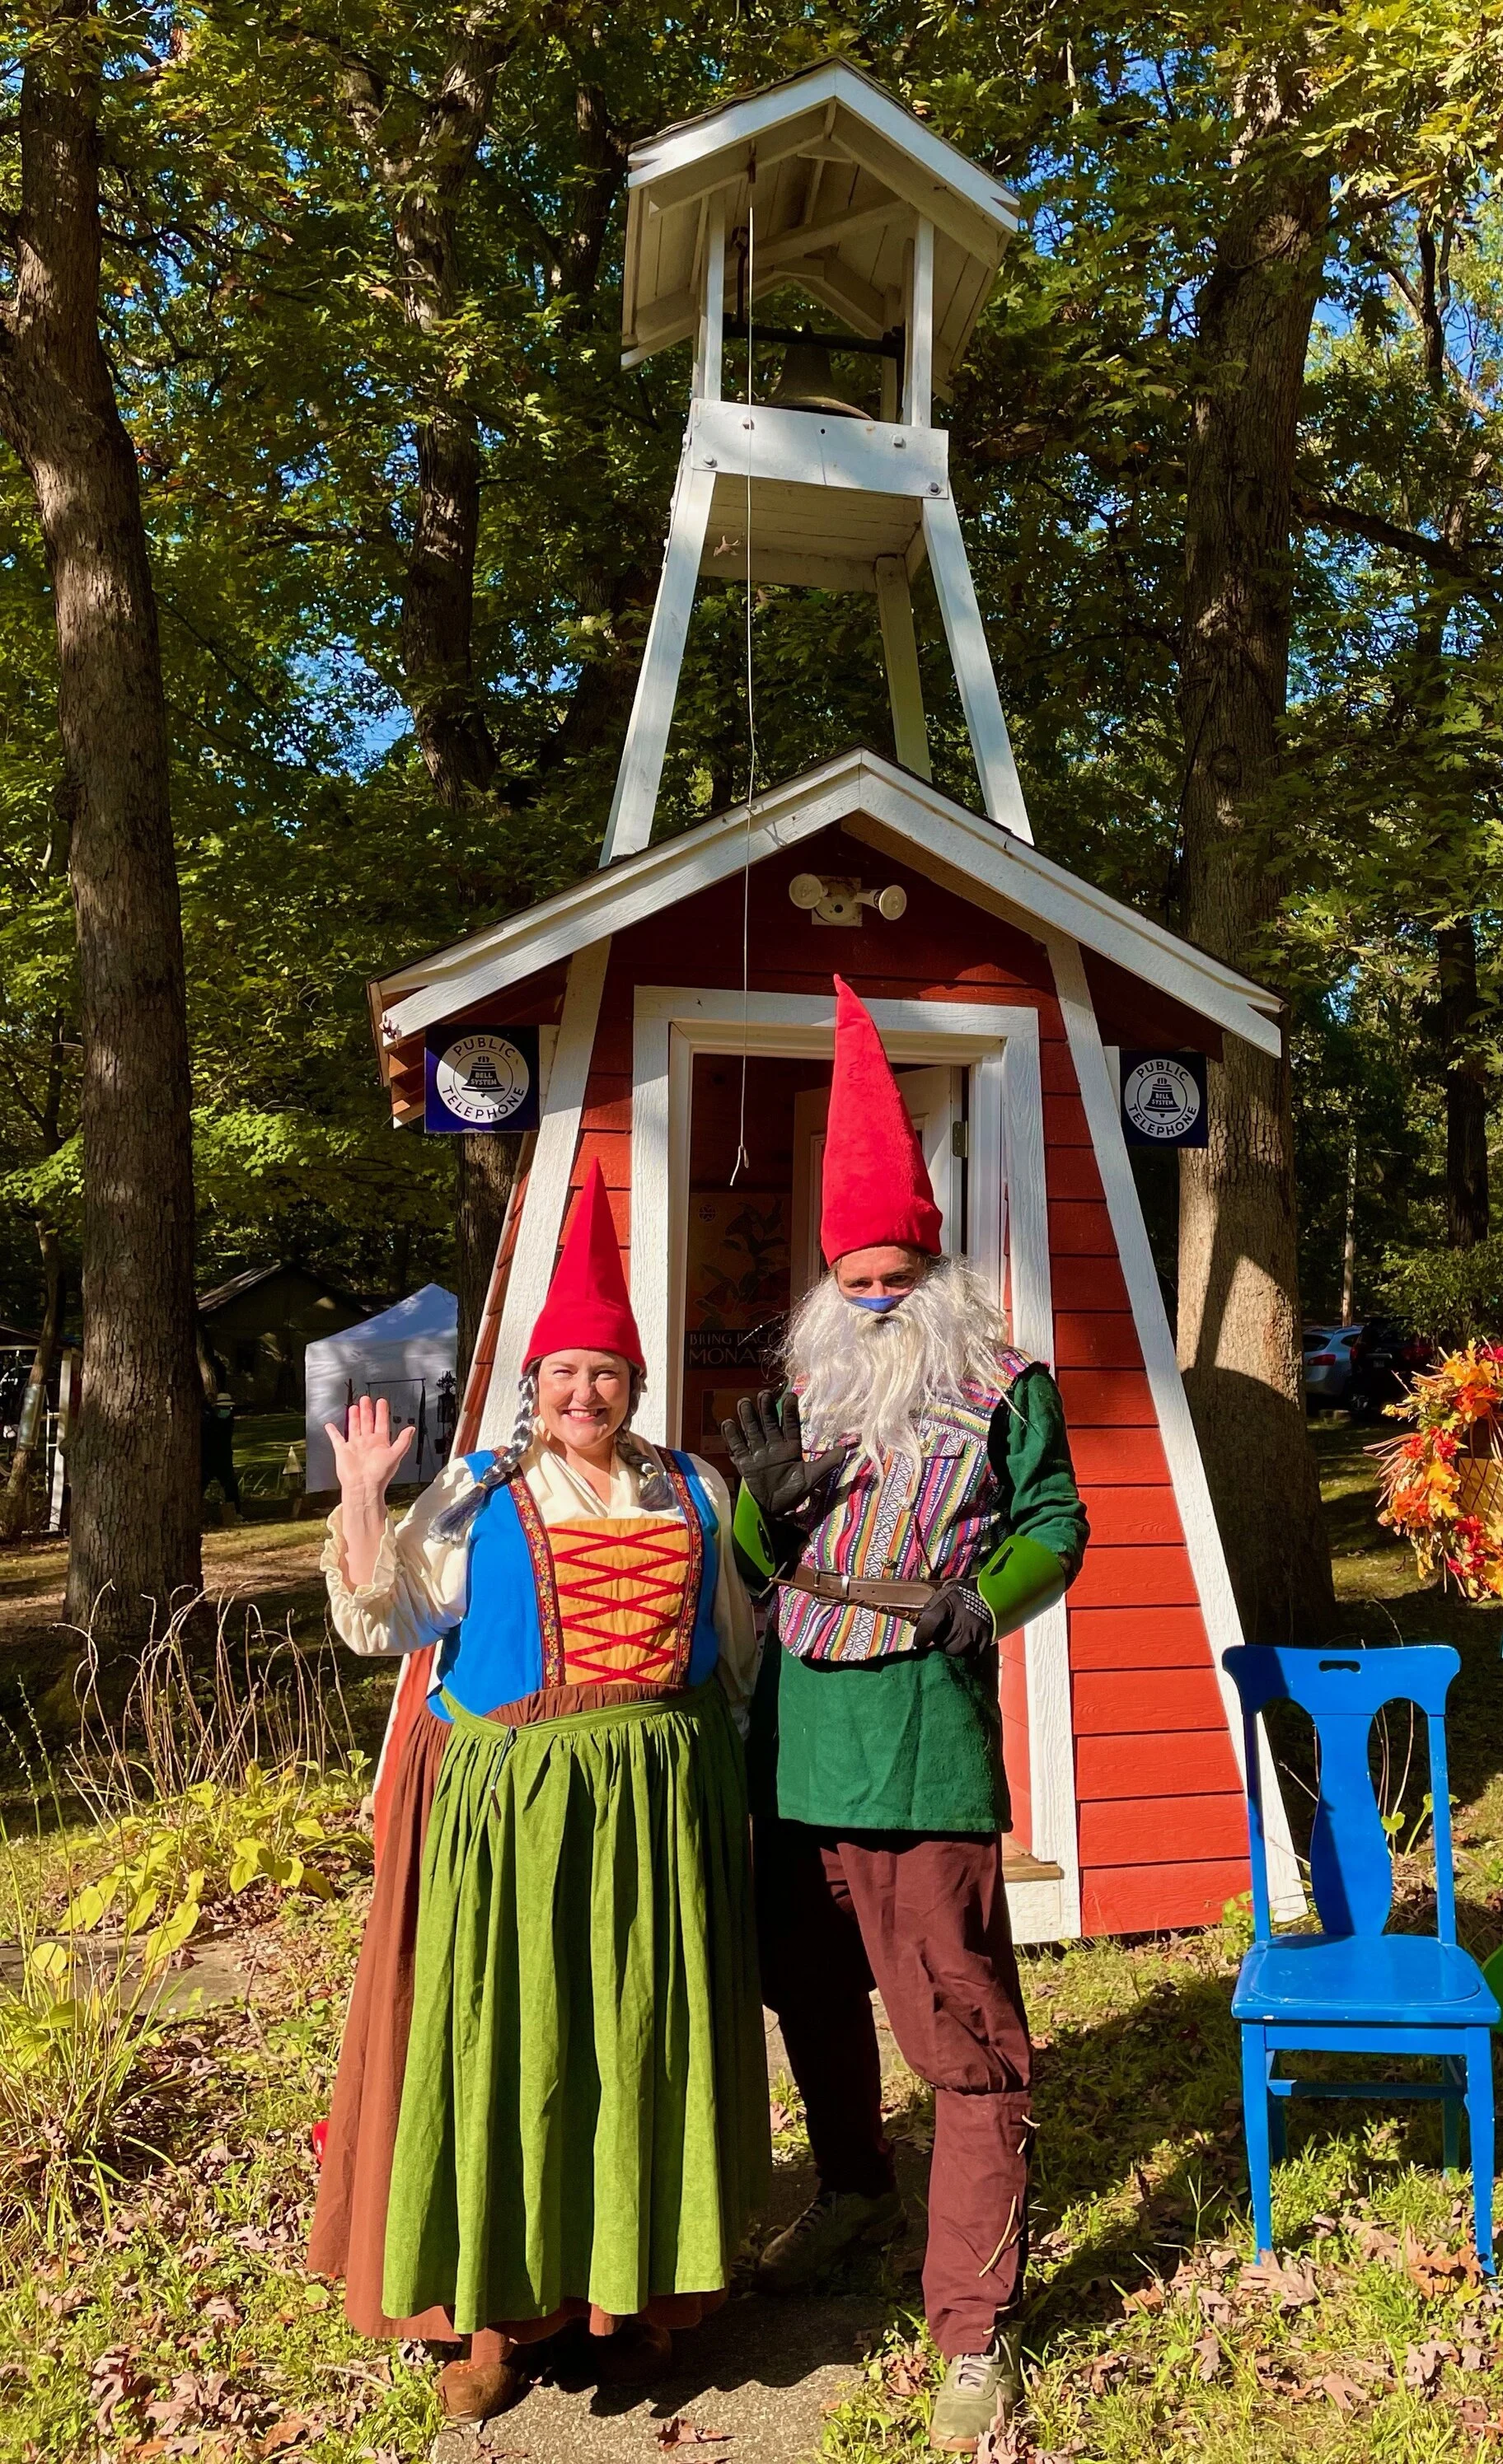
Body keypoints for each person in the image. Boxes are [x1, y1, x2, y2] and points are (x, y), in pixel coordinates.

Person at [308, 1163, 770, 2424]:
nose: (585, 1391)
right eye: (565, 1369)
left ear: (635, 1383)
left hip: (658, 1805)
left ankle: (633, 2291)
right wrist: (361, 1494)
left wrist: (709, 1782)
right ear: (535, 1381)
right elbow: (381, 1620)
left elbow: (732, 1649)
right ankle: (489, 2313)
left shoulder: (697, 1487)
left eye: (607, 1371)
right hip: (510, 1810)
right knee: (504, 2045)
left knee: (637, 2039)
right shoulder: (477, 1489)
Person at [727, 978, 1087, 2455]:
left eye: (896, 1276)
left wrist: (981, 1599)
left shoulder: (1005, 1381)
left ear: (933, 1271)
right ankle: (857, 2188)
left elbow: (1061, 1520)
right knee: (806, 1979)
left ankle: (969, 2328)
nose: (877, 1298)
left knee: (959, 2022)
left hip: (927, 1730)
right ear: (829, 1284)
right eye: (856, 1279)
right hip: (797, 1732)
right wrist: (758, 1510)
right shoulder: (799, 1392)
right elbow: (749, 1572)